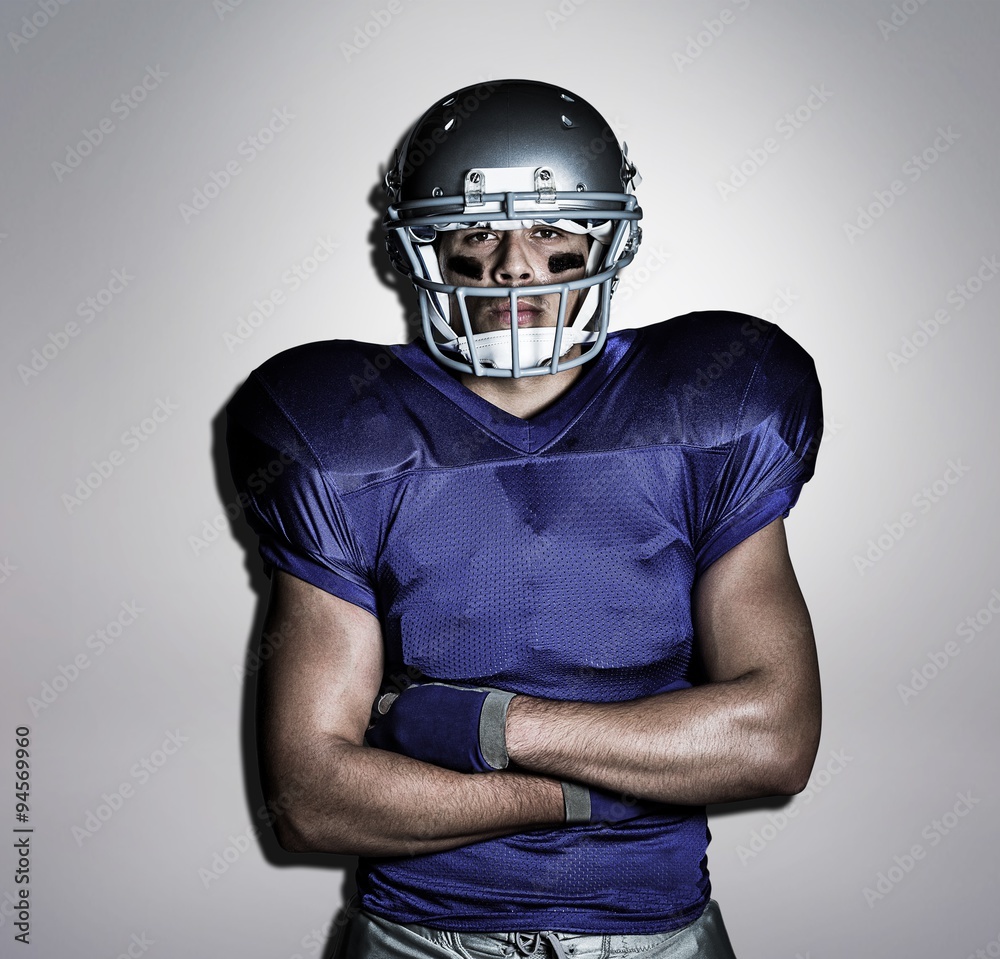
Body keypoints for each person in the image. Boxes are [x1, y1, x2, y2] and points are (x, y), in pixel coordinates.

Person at [226, 79, 823, 958]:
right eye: (478, 230)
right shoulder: (339, 428)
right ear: (423, 246)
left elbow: (775, 737)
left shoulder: (713, 402)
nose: (514, 265)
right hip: (418, 931)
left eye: (549, 228)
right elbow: (312, 797)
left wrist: (489, 728)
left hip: (654, 928)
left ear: (607, 233)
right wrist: (612, 782)